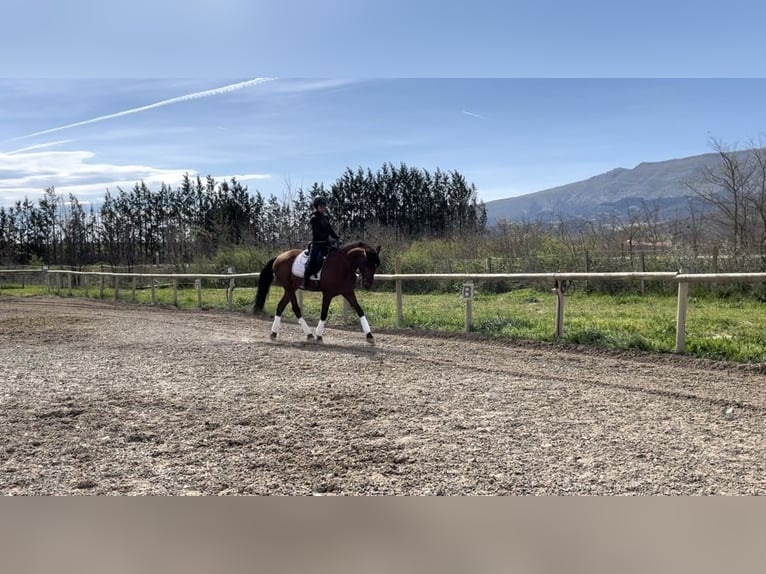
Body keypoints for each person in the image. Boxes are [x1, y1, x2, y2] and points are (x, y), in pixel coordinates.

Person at [303, 196, 340, 288]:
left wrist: (336, 237)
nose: (323, 208)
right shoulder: (314, 218)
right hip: (317, 244)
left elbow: (330, 230)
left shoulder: (325, 218)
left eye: (324, 206)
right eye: (321, 206)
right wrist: (327, 236)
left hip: (326, 244)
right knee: (312, 262)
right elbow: (317, 232)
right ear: (317, 207)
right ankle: (305, 282)